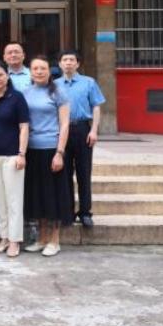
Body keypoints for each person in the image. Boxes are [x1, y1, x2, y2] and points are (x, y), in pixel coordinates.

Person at [23, 55, 71, 257]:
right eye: (35, 68)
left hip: (52, 149)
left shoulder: (58, 92)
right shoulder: (25, 92)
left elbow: (65, 124)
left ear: (49, 71)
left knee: (53, 196)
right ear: (30, 72)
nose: (39, 72)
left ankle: (54, 240)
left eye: (43, 68)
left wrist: (59, 152)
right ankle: (42, 238)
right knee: (37, 196)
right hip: (31, 150)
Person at [0, 60, 30, 258]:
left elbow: (24, 127)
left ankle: (15, 240)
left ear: (7, 76)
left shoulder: (17, 98)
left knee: (14, 199)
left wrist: (21, 153)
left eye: (0, 74)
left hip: (12, 156)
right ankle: (3, 237)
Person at [56, 49, 106, 228]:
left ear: (78, 63)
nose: (68, 63)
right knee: (65, 173)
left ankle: (85, 212)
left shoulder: (88, 82)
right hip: (62, 131)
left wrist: (94, 130)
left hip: (82, 129)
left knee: (84, 172)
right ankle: (67, 212)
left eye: (72, 60)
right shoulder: (54, 85)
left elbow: (96, 107)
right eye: (65, 60)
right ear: (60, 64)